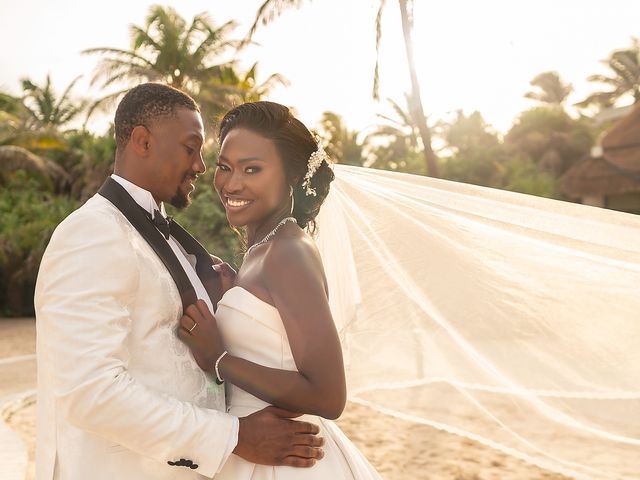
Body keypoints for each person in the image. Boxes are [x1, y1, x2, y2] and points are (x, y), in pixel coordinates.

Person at [34, 84, 324, 480]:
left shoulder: (160, 235)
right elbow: (90, 391)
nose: (202, 168)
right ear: (143, 141)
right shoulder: (92, 233)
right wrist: (232, 436)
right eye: (191, 148)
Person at [178, 101, 382, 479]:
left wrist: (219, 359)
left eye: (252, 169)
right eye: (225, 167)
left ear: (289, 177)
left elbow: (328, 394)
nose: (231, 183)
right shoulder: (263, 250)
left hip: (285, 462)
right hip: (250, 450)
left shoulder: (288, 251)